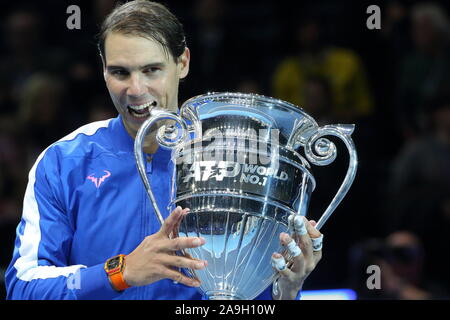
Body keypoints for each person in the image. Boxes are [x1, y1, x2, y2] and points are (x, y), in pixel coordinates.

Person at [5, 0, 322, 300]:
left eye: (152, 70)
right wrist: (121, 272)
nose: (136, 90)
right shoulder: (65, 161)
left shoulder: (233, 156)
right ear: (103, 69)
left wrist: (282, 290)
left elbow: (234, 294)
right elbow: (22, 287)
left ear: (182, 62)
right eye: (120, 72)